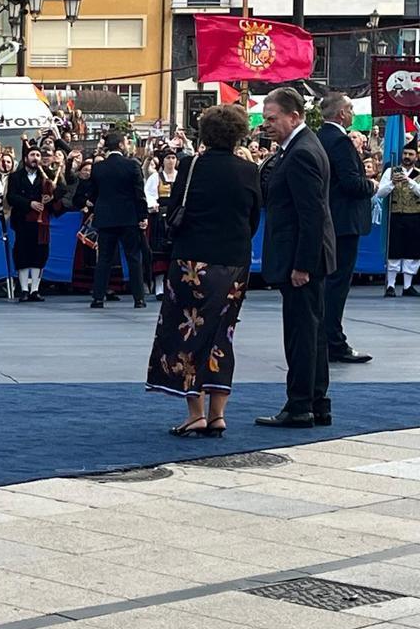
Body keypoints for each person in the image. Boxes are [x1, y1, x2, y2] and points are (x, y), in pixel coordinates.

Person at [146, 106, 262, 438]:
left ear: (205, 134)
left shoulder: (190, 165)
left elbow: (174, 210)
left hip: (192, 261)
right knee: (222, 333)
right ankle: (218, 414)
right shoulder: (249, 170)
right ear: (238, 134)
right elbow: (253, 218)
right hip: (234, 261)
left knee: (186, 333)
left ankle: (195, 413)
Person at [255, 87, 337, 429]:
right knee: (312, 332)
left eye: (272, 118)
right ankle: (316, 403)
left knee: (301, 334)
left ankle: (300, 405)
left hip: (302, 260)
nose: (266, 125)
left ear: (295, 116)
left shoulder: (301, 153)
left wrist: (302, 265)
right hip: (306, 257)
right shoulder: (302, 147)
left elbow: (311, 214)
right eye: (265, 119)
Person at [318, 92, 377, 363]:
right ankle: (334, 341)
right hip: (343, 222)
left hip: (330, 219)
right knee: (337, 283)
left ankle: (326, 337)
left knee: (328, 283)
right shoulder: (340, 142)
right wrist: (373, 186)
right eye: (350, 109)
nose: (353, 113)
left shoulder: (320, 137)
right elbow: (352, 183)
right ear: (341, 113)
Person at [82, 132, 148, 308]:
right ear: (120, 145)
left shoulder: (98, 168)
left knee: (104, 259)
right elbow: (139, 194)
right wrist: (143, 216)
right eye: (126, 142)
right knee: (133, 258)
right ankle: (139, 299)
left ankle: (98, 298)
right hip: (128, 217)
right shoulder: (132, 166)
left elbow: (93, 193)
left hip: (105, 219)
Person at [9, 146, 58, 302]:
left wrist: (51, 199)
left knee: (39, 254)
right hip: (23, 221)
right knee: (23, 254)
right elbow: (11, 197)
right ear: (25, 159)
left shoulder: (46, 177)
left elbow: (58, 192)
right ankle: (24, 289)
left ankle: (35, 289)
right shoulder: (16, 177)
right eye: (32, 155)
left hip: (41, 222)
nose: (35, 158)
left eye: (38, 155)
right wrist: (29, 203)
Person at [377, 142, 420, 297]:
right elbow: (380, 193)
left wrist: (410, 182)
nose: (407, 157)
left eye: (410, 154)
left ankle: (408, 286)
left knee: (412, 251)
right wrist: (392, 184)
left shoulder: (418, 173)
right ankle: (391, 285)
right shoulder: (391, 171)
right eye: (405, 154)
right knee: (394, 250)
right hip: (395, 215)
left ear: (416, 156)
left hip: (414, 216)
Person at [143, 151, 179, 299]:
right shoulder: (155, 177)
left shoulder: (180, 177)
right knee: (160, 253)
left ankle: (174, 286)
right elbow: (149, 194)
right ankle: (159, 286)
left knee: (175, 252)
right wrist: (153, 204)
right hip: (160, 217)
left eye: (173, 158)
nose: (171, 161)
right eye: (168, 158)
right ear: (163, 161)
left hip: (177, 217)